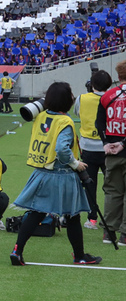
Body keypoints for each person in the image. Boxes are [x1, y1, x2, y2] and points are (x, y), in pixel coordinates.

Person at [10, 81, 101, 265]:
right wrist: (76, 164)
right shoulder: (65, 121)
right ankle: (79, 256)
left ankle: (17, 251)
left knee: (35, 213)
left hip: (42, 172)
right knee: (73, 216)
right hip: (62, 175)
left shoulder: (41, 115)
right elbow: (62, 149)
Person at [74, 69, 112, 230]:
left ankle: (92, 219)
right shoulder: (112, 97)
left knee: (90, 184)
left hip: (88, 146)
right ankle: (111, 219)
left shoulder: (82, 98)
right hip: (109, 146)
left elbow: (77, 112)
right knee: (112, 185)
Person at [98, 61, 126, 245]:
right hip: (123, 146)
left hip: (112, 151)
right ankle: (125, 235)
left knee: (112, 192)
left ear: (118, 76)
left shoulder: (107, 95)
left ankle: (109, 232)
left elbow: (99, 123)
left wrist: (106, 143)